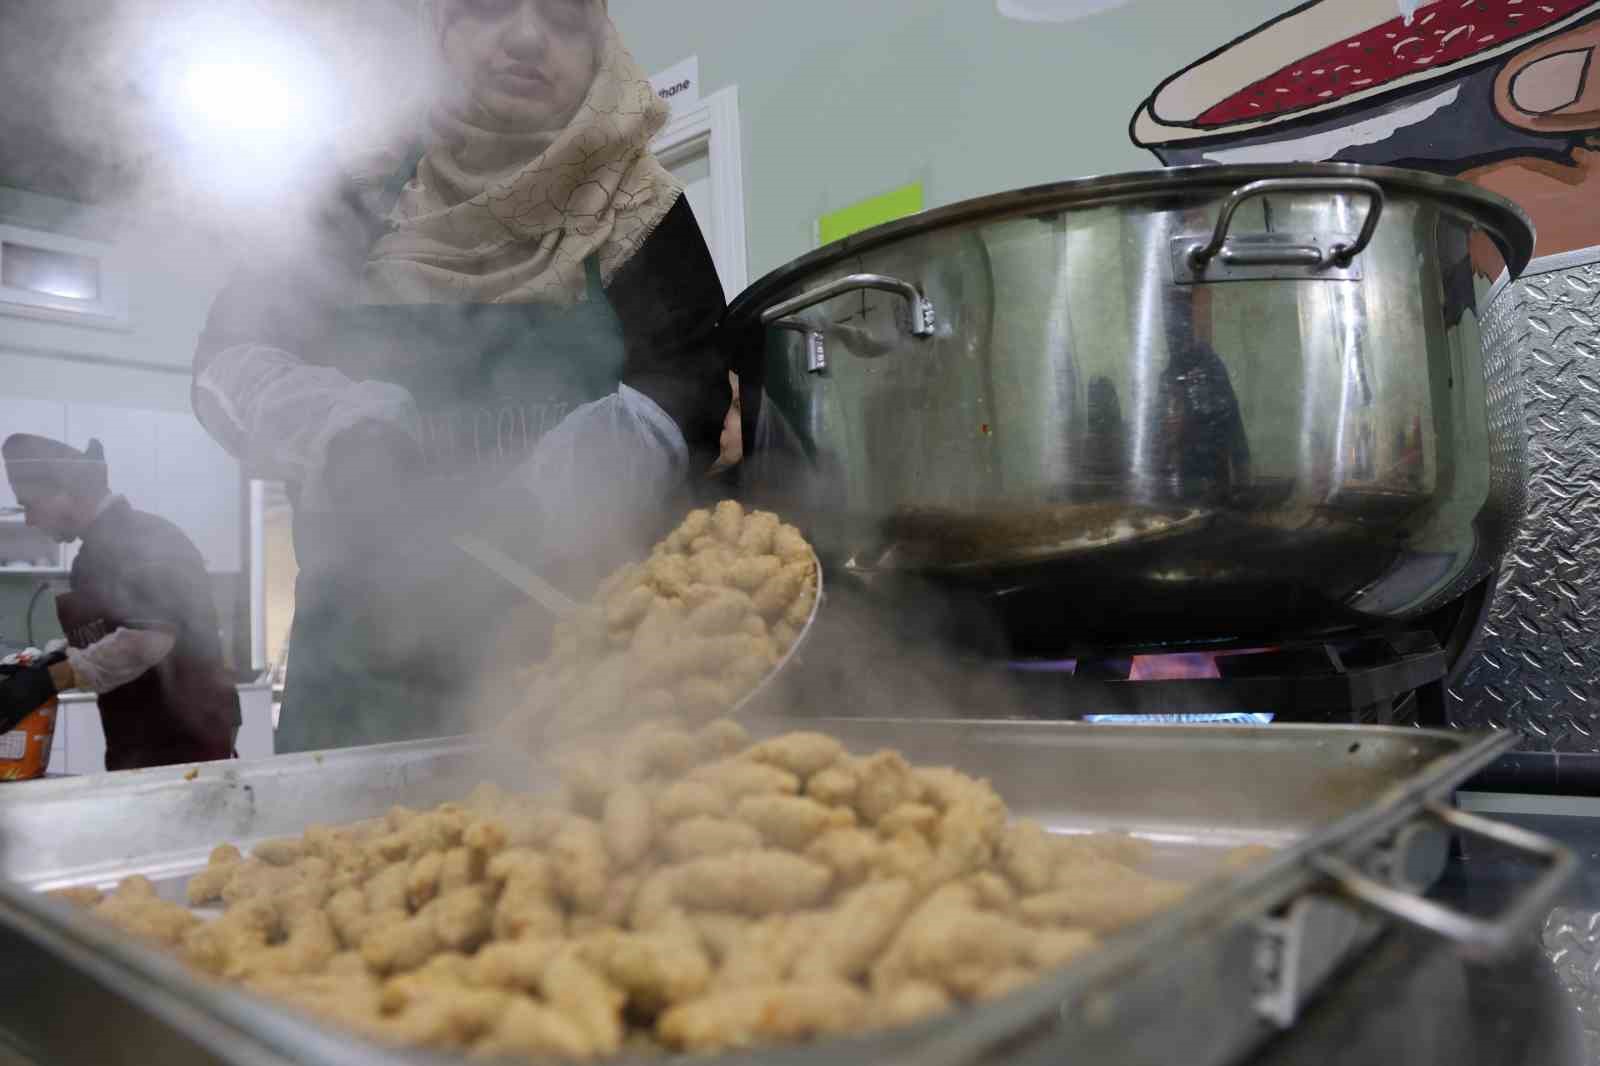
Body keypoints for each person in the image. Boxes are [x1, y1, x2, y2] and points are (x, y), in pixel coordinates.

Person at [191, 0, 731, 751]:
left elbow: (691, 379)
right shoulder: (355, 194)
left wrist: (562, 497)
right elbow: (230, 361)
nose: (527, 35)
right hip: (360, 683)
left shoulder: (637, 206)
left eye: (567, 17)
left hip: (574, 673)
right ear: (437, 26)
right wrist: (338, 435)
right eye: (486, 5)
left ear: (600, 45)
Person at [1, 434, 240, 771]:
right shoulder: (96, 550)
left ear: (65, 493)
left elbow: (146, 641)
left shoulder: (140, 539)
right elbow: (107, 632)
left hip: (182, 741)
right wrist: (53, 660)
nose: (29, 519)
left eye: (30, 504)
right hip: (142, 741)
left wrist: (49, 680)